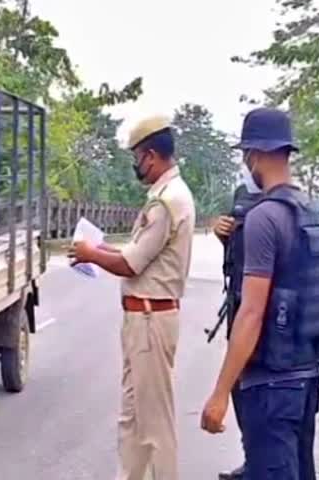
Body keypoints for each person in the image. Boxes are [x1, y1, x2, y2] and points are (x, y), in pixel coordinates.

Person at [201, 107, 319, 479]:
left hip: (269, 384)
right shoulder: (308, 213)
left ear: (255, 154)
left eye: (245, 155)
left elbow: (251, 313)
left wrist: (219, 394)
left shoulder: (264, 216)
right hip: (304, 378)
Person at [69, 115, 196, 480]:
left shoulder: (166, 202)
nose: (136, 166)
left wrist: (92, 255)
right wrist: (98, 247)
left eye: (138, 158)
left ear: (152, 156)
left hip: (151, 321)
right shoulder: (166, 197)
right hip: (142, 319)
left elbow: (130, 263)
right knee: (133, 420)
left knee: (155, 424)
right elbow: (138, 252)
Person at [212, 181, 262, 480]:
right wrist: (224, 236)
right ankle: (252, 459)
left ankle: (260, 463)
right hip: (237, 302)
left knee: (256, 388)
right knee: (239, 387)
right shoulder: (242, 194)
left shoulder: (281, 205)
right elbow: (238, 255)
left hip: (258, 310)